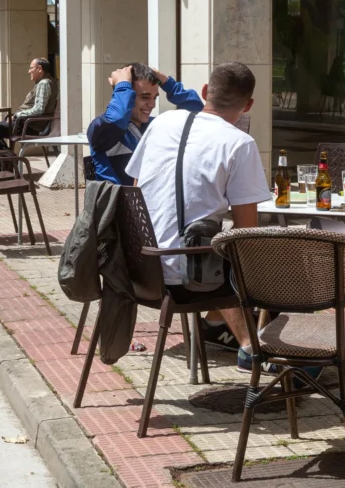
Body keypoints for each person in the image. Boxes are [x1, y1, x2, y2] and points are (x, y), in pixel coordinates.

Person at [125, 62, 270, 372]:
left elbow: (134, 193)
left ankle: (217, 326)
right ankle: (252, 348)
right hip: (185, 279)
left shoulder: (162, 122)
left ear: (205, 92)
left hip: (134, 268)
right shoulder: (240, 143)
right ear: (249, 106)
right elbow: (247, 234)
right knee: (256, 257)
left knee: (211, 243)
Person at [88, 63, 204, 186]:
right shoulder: (102, 127)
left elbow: (197, 118)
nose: (152, 104)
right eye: (145, 97)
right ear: (126, 95)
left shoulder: (156, 125)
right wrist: (122, 86)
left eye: (155, 98)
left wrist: (169, 85)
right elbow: (118, 118)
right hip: (117, 203)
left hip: (152, 202)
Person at [0, 58, 58, 170]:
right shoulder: (45, 82)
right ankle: (6, 164)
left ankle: (9, 161)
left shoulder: (44, 83)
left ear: (39, 69)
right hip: (25, 123)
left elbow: (39, 109)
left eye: (31, 68)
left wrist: (17, 115)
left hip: (29, 126)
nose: (29, 71)